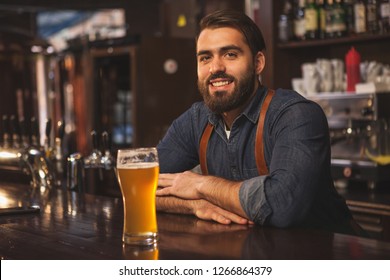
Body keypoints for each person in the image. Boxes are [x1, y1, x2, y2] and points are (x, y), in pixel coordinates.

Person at [156, 9, 360, 235]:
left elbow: (283, 205)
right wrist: (194, 204)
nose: (215, 68)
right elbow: (138, 189)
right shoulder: (196, 120)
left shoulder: (296, 115)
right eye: (205, 58)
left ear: (258, 63)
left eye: (230, 54)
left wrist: (200, 185)